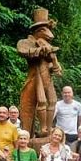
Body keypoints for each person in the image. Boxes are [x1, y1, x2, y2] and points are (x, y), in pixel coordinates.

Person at [17, 8, 62, 138]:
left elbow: (55, 66)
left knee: (52, 100)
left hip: (47, 77)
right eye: (44, 30)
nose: (50, 35)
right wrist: (38, 51)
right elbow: (23, 50)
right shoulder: (26, 42)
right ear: (38, 31)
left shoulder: (48, 46)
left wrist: (53, 61)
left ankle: (48, 128)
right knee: (40, 102)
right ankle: (41, 128)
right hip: (35, 77)